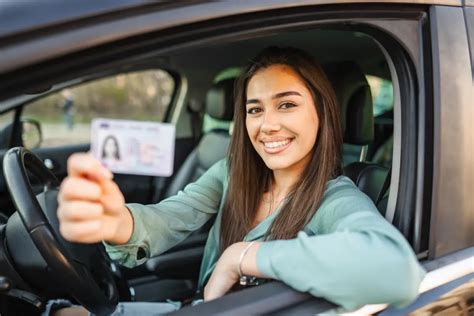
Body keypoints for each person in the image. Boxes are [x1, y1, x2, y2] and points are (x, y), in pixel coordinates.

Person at [55, 47, 425, 315]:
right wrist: (116, 221)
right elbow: (170, 217)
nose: (268, 125)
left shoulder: (336, 198)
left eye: (287, 104)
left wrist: (241, 256)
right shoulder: (232, 173)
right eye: (254, 109)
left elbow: (395, 271)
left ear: (322, 113)